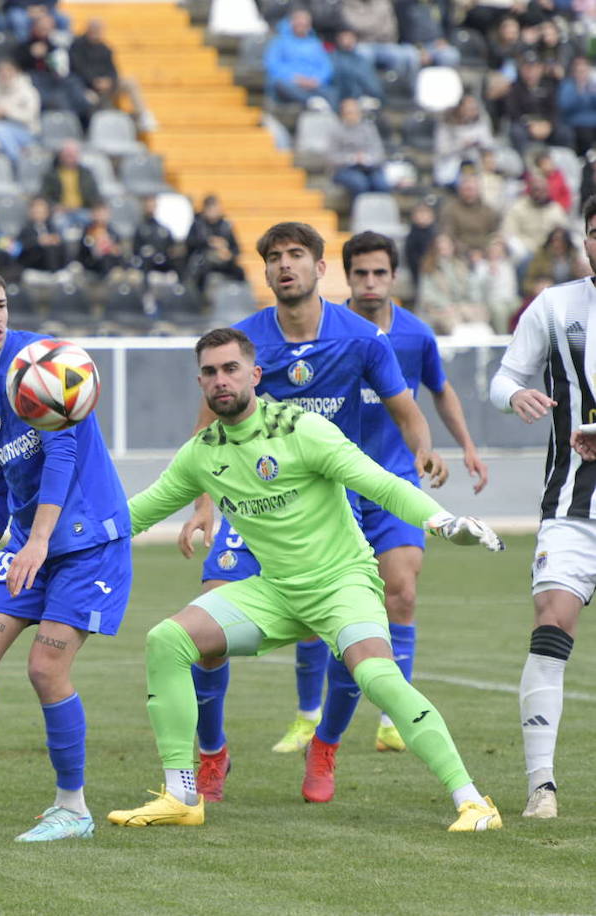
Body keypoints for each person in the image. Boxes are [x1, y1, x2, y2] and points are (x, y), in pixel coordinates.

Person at [107, 327, 504, 833]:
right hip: (276, 591)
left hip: (342, 583)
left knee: (378, 677)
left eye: (230, 369)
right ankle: (183, 796)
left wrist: (442, 521)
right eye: (209, 372)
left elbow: (379, 482)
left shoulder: (302, 430)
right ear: (200, 383)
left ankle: (473, 801)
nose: (220, 380)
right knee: (168, 640)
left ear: (255, 374)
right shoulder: (200, 454)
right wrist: (46, 542)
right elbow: (132, 516)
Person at [176, 222, 444, 803]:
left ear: (322, 268)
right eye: (273, 257)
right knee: (205, 635)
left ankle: (325, 746)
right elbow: (205, 430)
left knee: (353, 633)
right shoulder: (241, 345)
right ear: (265, 270)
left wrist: (422, 447)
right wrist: (203, 505)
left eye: (296, 255)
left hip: (327, 511)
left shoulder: (362, 338)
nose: (284, 266)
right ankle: (212, 753)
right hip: (251, 506)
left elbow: (406, 410)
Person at [0, 265, 131, 845]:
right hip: (25, 545)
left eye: (2, 304)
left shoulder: (42, 364)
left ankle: (72, 807)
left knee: (45, 668)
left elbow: (62, 453)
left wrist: (36, 540)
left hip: (87, 543)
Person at [298, 232, 488, 796]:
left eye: (381, 274)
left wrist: (463, 446)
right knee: (326, 618)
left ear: (393, 278)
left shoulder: (414, 333)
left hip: (393, 484)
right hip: (332, 492)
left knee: (401, 589)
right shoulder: (327, 334)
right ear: (347, 277)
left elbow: (439, 392)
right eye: (361, 274)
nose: (371, 283)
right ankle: (316, 722)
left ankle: (392, 720)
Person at [489, 193, 596, 821]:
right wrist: (517, 398)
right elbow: (502, 378)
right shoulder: (555, 307)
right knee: (551, 624)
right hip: (571, 505)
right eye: (593, 230)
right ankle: (541, 786)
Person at [264, 8, 338, 109]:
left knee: (334, 92)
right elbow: (273, 65)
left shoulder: (315, 44)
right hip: (290, 84)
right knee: (280, 85)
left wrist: (317, 80)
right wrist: (295, 78)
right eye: (298, 23)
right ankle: (311, 102)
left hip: (314, 85)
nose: (301, 27)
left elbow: (326, 66)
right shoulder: (279, 42)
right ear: (291, 23)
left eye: (304, 24)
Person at [328, 97, 390, 201]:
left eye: (355, 112)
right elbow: (331, 157)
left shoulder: (369, 129)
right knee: (359, 183)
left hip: (369, 167)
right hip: (345, 169)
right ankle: (361, 213)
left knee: (381, 183)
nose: (352, 116)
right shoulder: (336, 131)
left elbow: (379, 152)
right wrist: (352, 158)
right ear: (342, 114)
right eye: (348, 113)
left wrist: (367, 159)